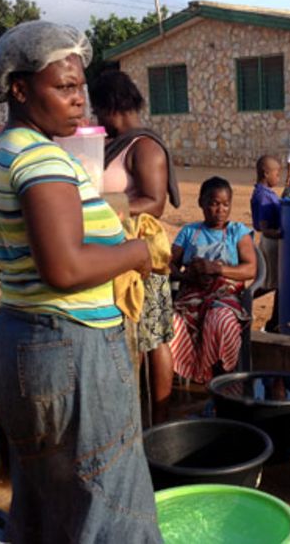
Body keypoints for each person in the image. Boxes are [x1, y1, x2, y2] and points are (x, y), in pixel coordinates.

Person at [0, 21, 161, 543]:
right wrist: (137, 251)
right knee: (110, 506)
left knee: (48, 503)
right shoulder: (40, 158)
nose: (80, 100)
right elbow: (64, 269)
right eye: (64, 87)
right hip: (72, 347)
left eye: (80, 87)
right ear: (19, 89)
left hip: (18, 340)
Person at [90, 69, 181, 425]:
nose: (97, 119)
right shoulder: (114, 143)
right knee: (129, 336)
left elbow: (155, 202)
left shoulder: (144, 146)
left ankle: (158, 421)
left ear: (113, 106)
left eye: (99, 110)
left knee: (153, 338)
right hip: (117, 255)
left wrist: (101, 205)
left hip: (144, 256)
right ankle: (131, 418)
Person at [169, 177, 257, 384]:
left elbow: (250, 269)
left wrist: (217, 269)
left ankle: (220, 380)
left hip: (224, 295)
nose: (221, 210)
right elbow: (167, 264)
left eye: (226, 204)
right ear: (201, 203)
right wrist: (185, 275)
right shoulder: (189, 232)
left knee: (220, 320)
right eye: (214, 203)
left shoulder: (238, 232)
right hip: (191, 295)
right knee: (171, 324)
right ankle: (186, 377)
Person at [250, 155, 282, 333]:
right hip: (272, 244)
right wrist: (281, 233)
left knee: (275, 283)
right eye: (276, 173)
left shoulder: (267, 193)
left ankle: (275, 321)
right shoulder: (262, 196)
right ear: (266, 173)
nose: (278, 177)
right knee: (272, 283)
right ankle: (242, 299)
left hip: (274, 243)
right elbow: (264, 228)